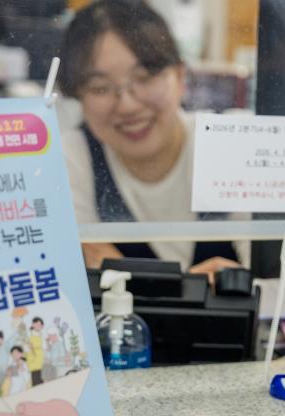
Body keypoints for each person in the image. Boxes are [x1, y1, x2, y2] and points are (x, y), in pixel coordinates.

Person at [58, 0, 244, 275]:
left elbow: (281, 285)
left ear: (181, 77)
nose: (128, 105)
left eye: (144, 78)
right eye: (100, 88)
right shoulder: (71, 158)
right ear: (78, 98)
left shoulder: (230, 144)